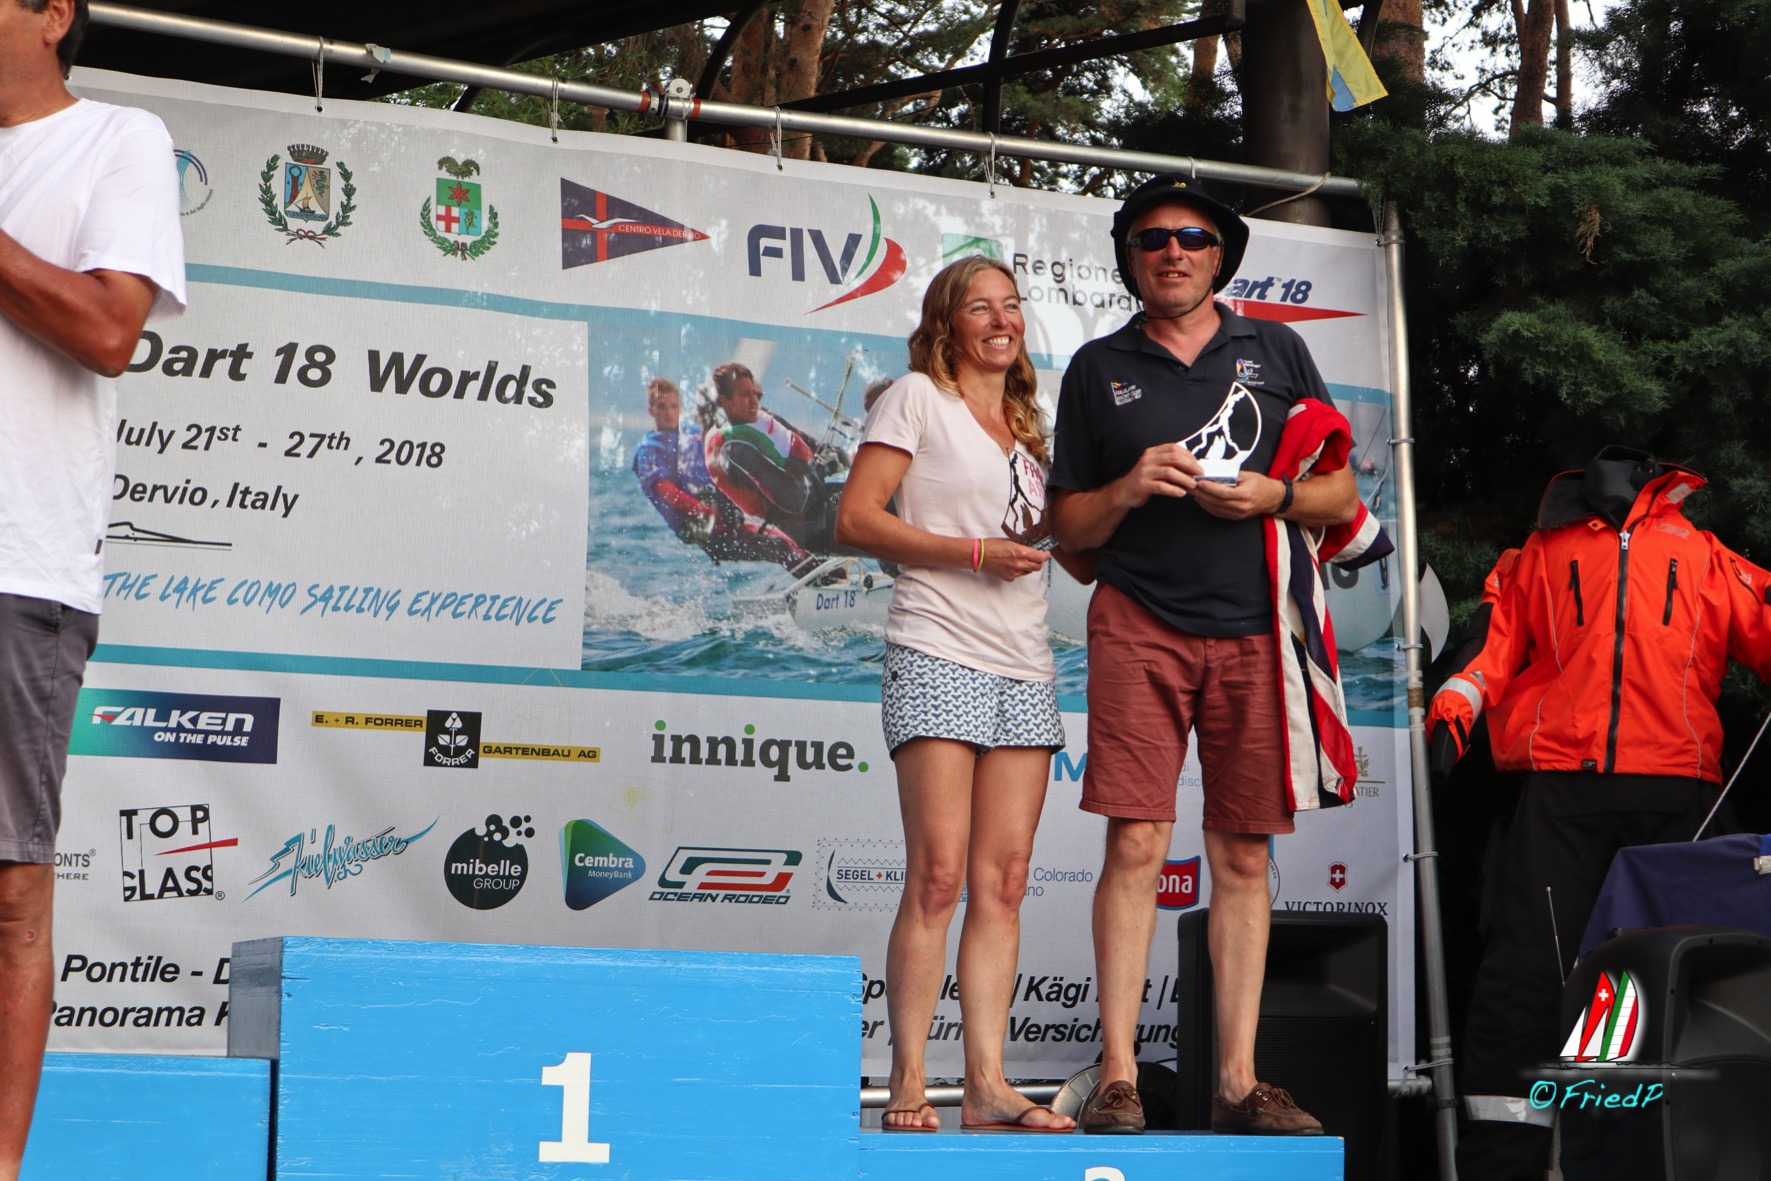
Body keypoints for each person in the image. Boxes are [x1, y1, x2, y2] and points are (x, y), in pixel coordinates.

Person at [1049, 174, 1362, 1136]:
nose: (1172, 252)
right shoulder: (1097, 367)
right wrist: (1127, 485)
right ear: (1131, 261)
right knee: (1136, 841)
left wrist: (1274, 496)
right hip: (1137, 618)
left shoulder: (1277, 348)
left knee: (1240, 852)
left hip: (1258, 626)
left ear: (1219, 256)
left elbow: (1340, 496)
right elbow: (1068, 533)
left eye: (1190, 237)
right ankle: (1117, 1077)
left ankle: (1236, 1081)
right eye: (1151, 240)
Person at [1427, 446, 1771, 1180]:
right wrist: (1453, 710)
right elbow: (1490, 648)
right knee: (1523, 982)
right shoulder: (1538, 555)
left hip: (1679, 804)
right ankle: (1502, 1167)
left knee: (1678, 988)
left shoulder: (1704, 556)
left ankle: (1672, 1157)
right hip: (1559, 797)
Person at [835, 255, 1086, 1133]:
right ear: (947, 323)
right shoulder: (915, 397)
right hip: (937, 647)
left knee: (1004, 882)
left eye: (1010, 305)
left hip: (1025, 663)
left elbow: (1054, 543)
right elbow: (855, 518)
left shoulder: (1027, 424)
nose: (1000, 319)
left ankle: (986, 1083)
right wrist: (971, 553)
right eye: (979, 307)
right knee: (938, 876)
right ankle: (908, 1078)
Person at [0, 2, 187, 1176]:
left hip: (16, 567)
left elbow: (111, 327)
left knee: (10, 892)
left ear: (51, 13)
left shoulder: (118, 137)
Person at [631, 376, 807, 569]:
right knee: (780, 548)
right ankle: (816, 578)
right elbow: (669, 494)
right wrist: (708, 512)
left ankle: (818, 574)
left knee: (790, 542)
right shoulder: (648, 450)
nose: (669, 413)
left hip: (723, 509)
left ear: (680, 408)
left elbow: (723, 442)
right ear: (651, 410)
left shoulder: (691, 432)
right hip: (699, 525)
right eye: (661, 407)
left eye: (673, 406)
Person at [704, 361, 839, 552]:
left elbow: (814, 447)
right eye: (745, 395)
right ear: (726, 401)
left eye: (754, 393)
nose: (754, 401)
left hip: (822, 500)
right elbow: (794, 500)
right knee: (875, 513)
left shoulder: (760, 418)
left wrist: (839, 457)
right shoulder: (734, 450)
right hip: (810, 526)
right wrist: (823, 468)